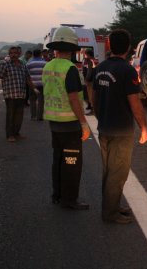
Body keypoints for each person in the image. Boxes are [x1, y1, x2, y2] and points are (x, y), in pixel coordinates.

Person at [93, 29, 147, 224]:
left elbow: (94, 95)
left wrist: (101, 115)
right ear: (128, 47)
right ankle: (110, 213)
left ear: (109, 46)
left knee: (109, 171)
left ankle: (113, 205)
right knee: (118, 173)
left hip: (105, 128)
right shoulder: (127, 70)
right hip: (121, 130)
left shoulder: (100, 68)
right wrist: (144, 127)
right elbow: (134, 102)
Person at [43, 26, 91, 210]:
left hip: (54, 123)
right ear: (72, 50)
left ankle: (57, 195)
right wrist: (84, 123)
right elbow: (73, 98)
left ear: (56, 48)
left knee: (58, 159)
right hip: (70, 125)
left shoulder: (48, 66)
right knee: (72, 162)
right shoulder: (70, 69)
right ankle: (69, 199)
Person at [0, 46, 37, 142]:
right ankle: (9, 135)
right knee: (10, 115)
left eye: (15, 53)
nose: (13, 55)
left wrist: (34, 89)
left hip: (21, 94)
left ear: (19, 54)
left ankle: (16, 133)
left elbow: (28, 79)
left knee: (19, 116)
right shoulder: (5, 64)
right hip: (10, 95)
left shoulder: (23, 65)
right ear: (9, 54)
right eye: (11, 53)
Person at [27, 49, 47, 120]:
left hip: (32, 85)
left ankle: (33, 116)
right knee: (41, 101)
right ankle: (40, 116)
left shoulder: (29, 63)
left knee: (32, 100)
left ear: (33, 54)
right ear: (40, 54)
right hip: (42, 84)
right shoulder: (45, 63)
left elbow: (27, 74)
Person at [82, 48, 96, 114]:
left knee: (91, 95)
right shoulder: (90, 60)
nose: (85, 55)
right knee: (89, 94)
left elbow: (89, 71)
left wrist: (87, 79)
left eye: (86, 54)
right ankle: (90, 106)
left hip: (90, 81)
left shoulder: (90, 61)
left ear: (88, 54)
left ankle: (93, 110)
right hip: (91, 80)